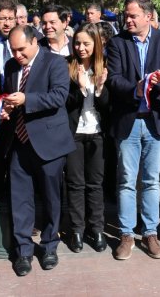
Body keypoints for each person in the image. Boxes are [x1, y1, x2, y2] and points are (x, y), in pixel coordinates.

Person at [106, 0, 160, 261]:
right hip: (128, 121)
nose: (128, 19)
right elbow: (113, 80)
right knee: (126, 181)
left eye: (133, 15)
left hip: (155, 122)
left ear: (148, 16)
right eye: (126, 15)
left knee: (151, 181)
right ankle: (126, 235)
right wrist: (135, 88)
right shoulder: (116, 43)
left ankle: (150, 233)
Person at [1, 26, 75, 276]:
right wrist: (7, 109)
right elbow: (9, 95)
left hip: (49, 143)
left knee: (51, 198)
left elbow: (59, 97)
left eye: (22, 49)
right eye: (13, 50)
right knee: (20, 198)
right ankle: (23, 251)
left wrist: (26, 100)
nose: (17, 54)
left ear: (35, 42)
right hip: (19, 143)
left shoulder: (55, 62)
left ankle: (50, 245)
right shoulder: (11, 66)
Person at [65, 23, 110, 254]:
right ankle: (77, 230)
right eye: (77, 43)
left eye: (86, 43)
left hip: (97, 134)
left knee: (95, 184)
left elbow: (107, 106)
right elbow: (64, 103)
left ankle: (97, 229)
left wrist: (100, 87)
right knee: (75, 183)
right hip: (74, 134)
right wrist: (80, 89)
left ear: (96, 44)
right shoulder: (67, 66)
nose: (81, 48)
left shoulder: (103, 67)